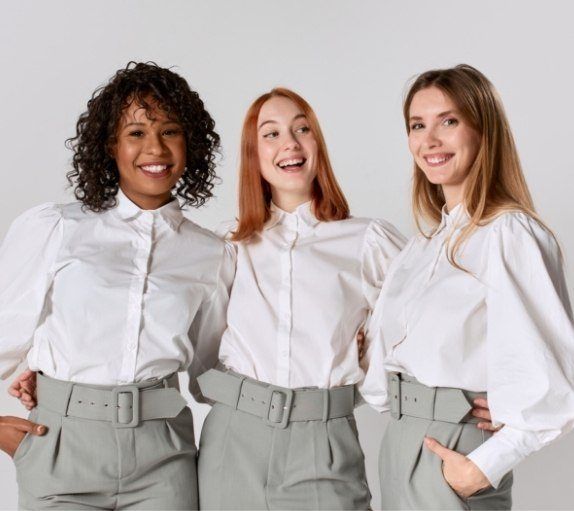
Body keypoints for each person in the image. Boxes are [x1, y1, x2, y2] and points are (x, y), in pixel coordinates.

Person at [0, 61, 234, 510]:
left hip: (164, 458)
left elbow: (214, 371)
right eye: (136, 133)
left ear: (191, 144)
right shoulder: (57, 228)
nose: (155, 149)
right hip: (61, 448)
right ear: (109, 144)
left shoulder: (211, 254)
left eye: (170, 131)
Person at [362, 64, 574, 510]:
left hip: (454, 452)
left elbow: (553, 378)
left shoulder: (508, 233)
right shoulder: (422, 246)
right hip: (401, 445)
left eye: (449, 121)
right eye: (418, 125)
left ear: (484, 130)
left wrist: (488, 462)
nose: (430, 140)